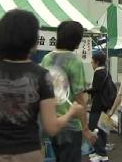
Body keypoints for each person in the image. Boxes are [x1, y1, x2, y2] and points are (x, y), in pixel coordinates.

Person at [0, 10, 84, 162]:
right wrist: (71, 112)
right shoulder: (42, 75)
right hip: (28, 152)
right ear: (33, 40)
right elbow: (51, 127)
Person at [41, 21, 97, 162]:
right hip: (70, 125)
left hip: (50, 122)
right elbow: (79, 98)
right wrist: (85, 129)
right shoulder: (75, 61)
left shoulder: (46, 59)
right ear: (76, 41)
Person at [86, 51, 112, 162]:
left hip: (98, 105)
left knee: (93, 128)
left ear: (96, 62)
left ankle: (101, 153)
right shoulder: (106, 72)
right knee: (102, 129)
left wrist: (85, 90)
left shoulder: (98, 72)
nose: (91, 64)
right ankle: (99, 152)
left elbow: (96, 89)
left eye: (92, 61)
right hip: (106, 105)